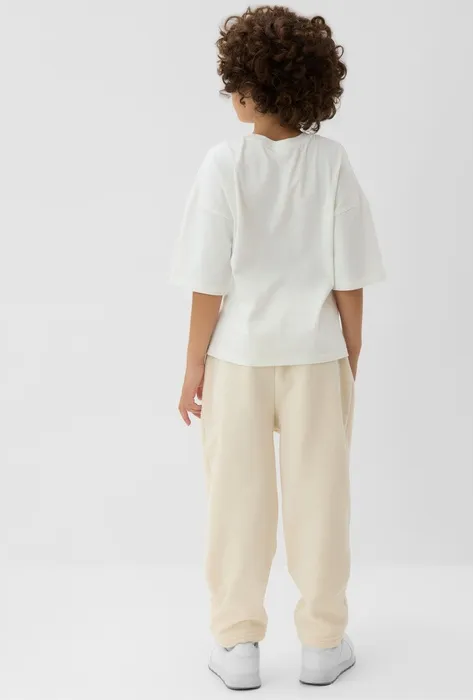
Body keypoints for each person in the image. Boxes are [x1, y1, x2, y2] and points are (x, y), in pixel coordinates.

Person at [170, 5, 385, 691]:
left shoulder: (224, 164)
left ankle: (237, 645)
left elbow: (208, 280)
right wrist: (351, 351)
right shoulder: (331, 163)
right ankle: (322, 642)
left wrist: (193, 365)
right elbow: (349, 276)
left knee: (237, 501)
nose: (231, 94)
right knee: (321, 499)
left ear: (251, 90)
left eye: (236, 82)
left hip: (237, 358)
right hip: (317, 357)